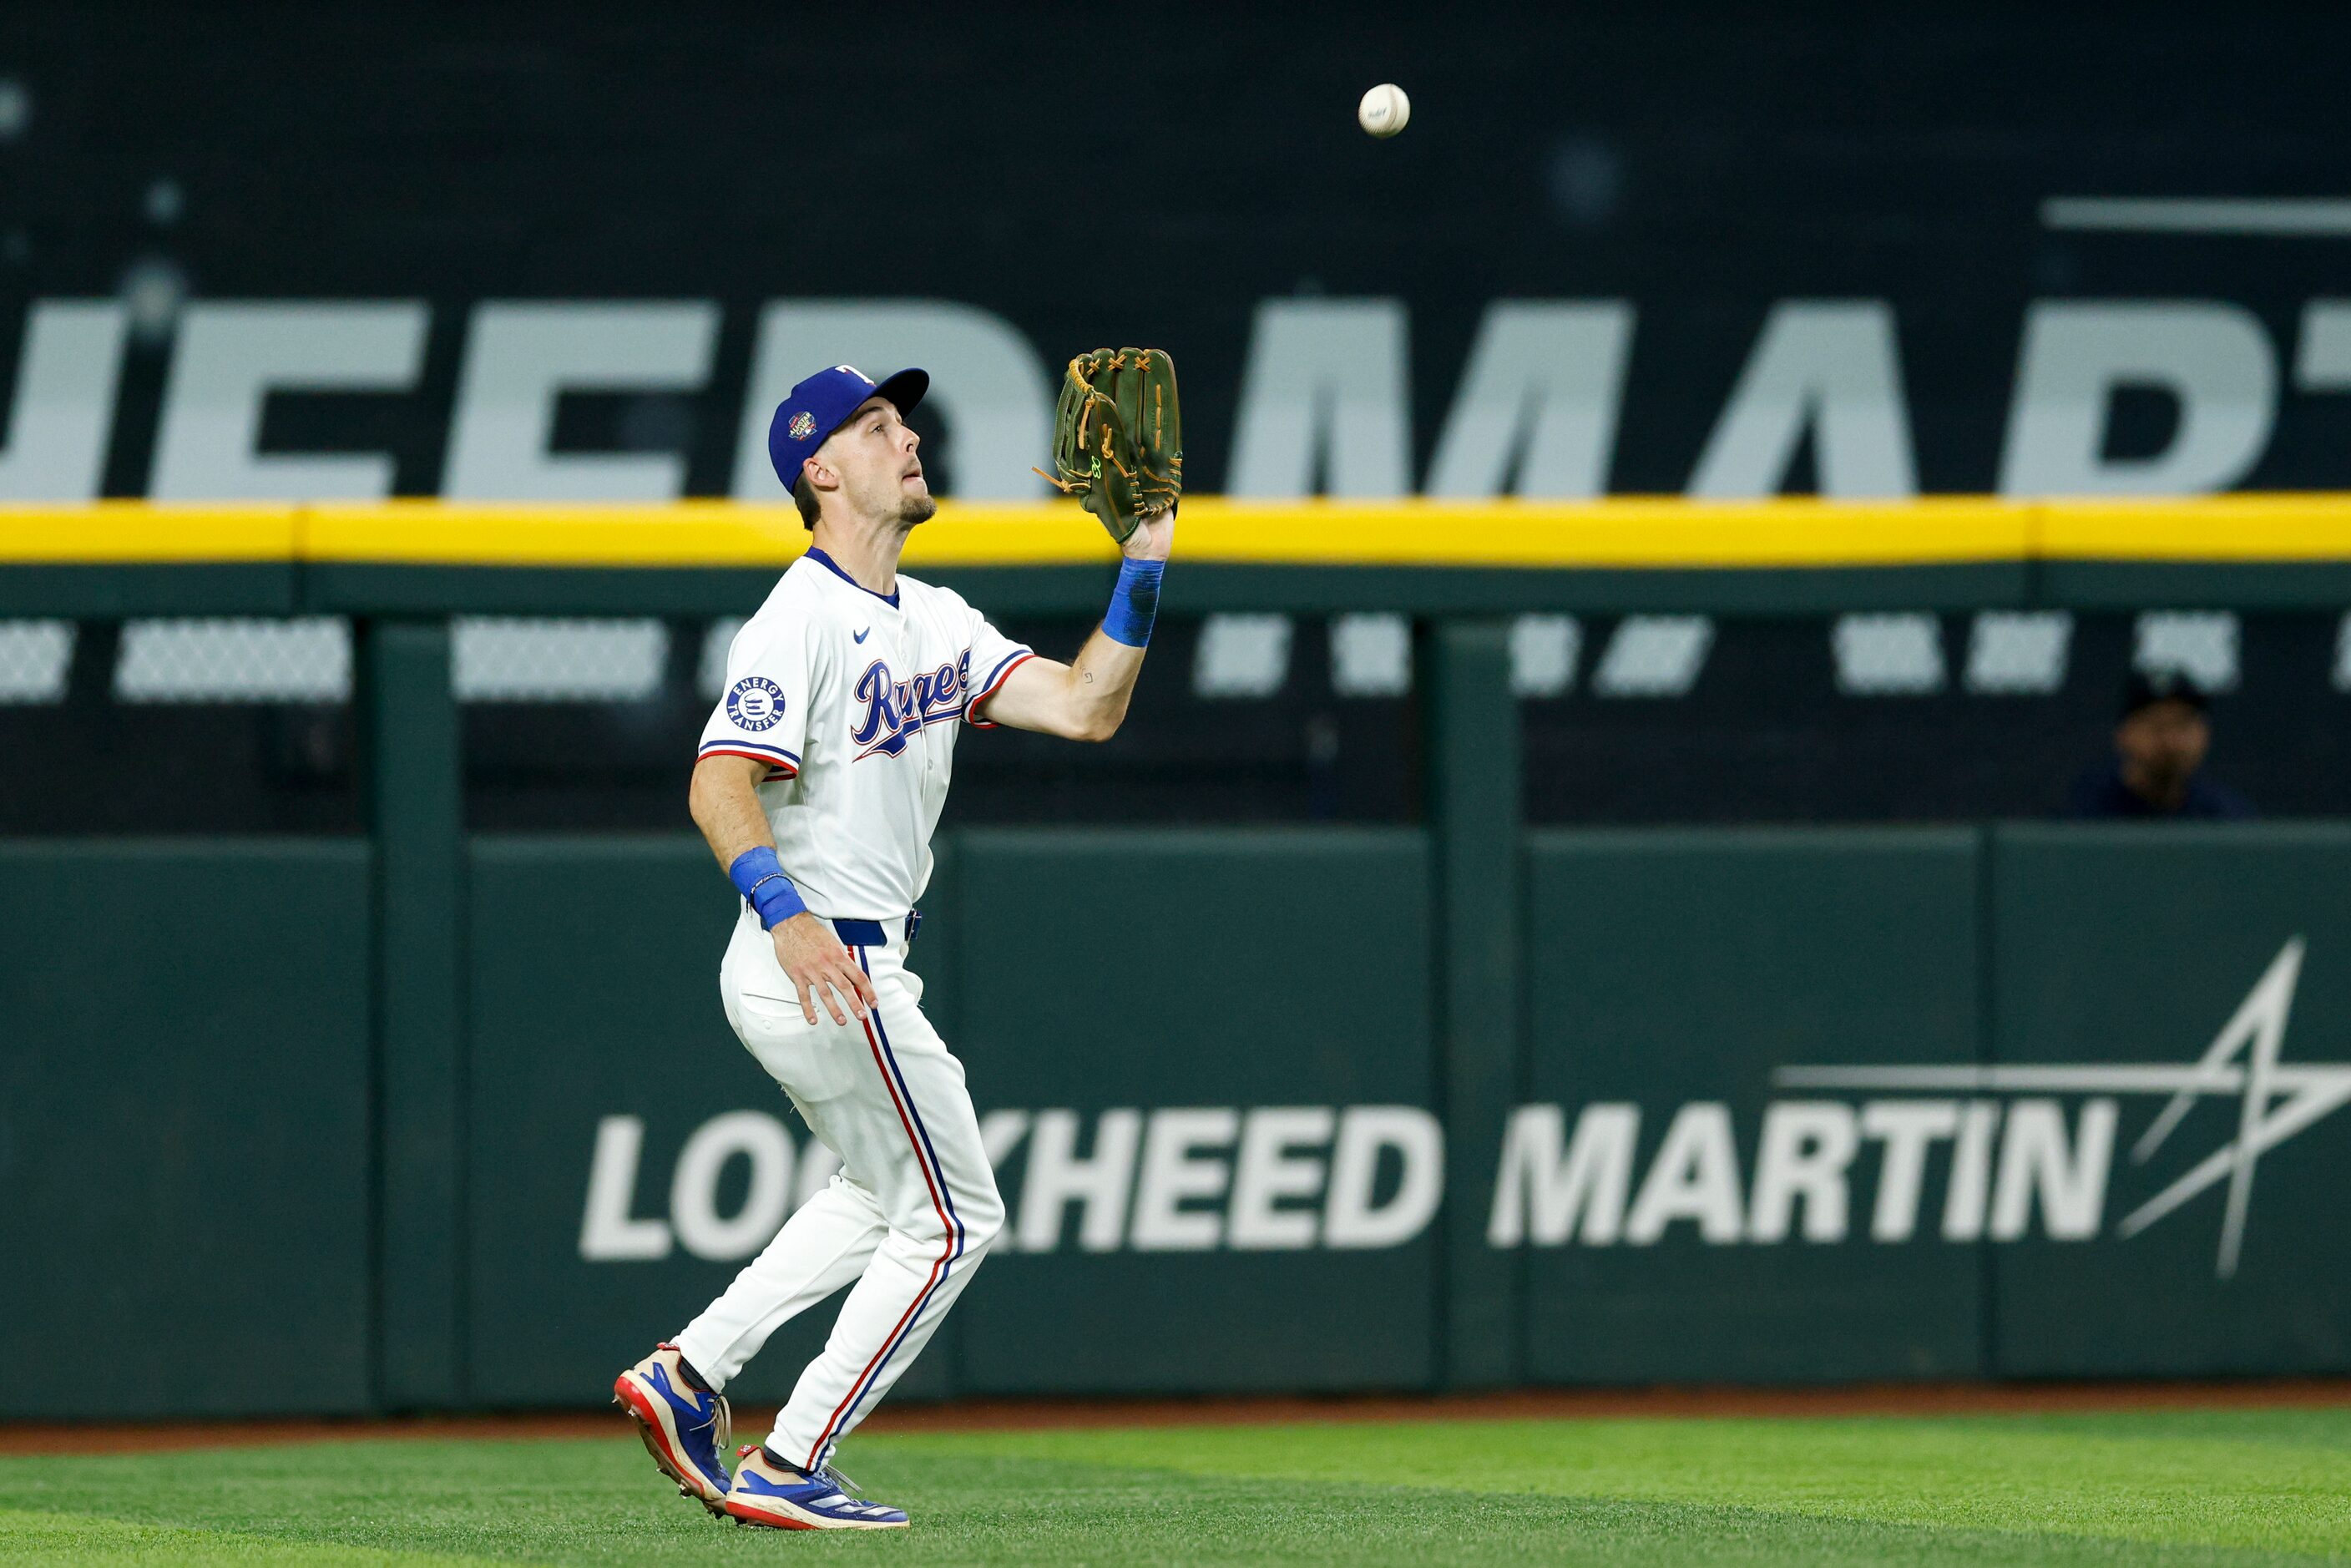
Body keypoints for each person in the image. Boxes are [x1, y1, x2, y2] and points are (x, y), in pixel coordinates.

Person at [612, 363, 1172, 1530]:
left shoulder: (939, 619)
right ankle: (790, 1456)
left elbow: (1086, 706)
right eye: (874, 426)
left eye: (903, 419)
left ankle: (690, 1369)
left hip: (848, 962)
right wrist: (786, 907)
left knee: (881, 1195)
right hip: (812, 957)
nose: (907, 436)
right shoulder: (797, 616)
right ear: (819, 468)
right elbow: (718, 784)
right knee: (958, 1215)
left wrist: (1146, 557)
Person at [2065, 668, 2255, 821]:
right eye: (2157, 727)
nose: (2171, 742)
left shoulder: (2224, 816)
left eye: (2183, 726)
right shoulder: (2085, 814)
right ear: (2124, 735)